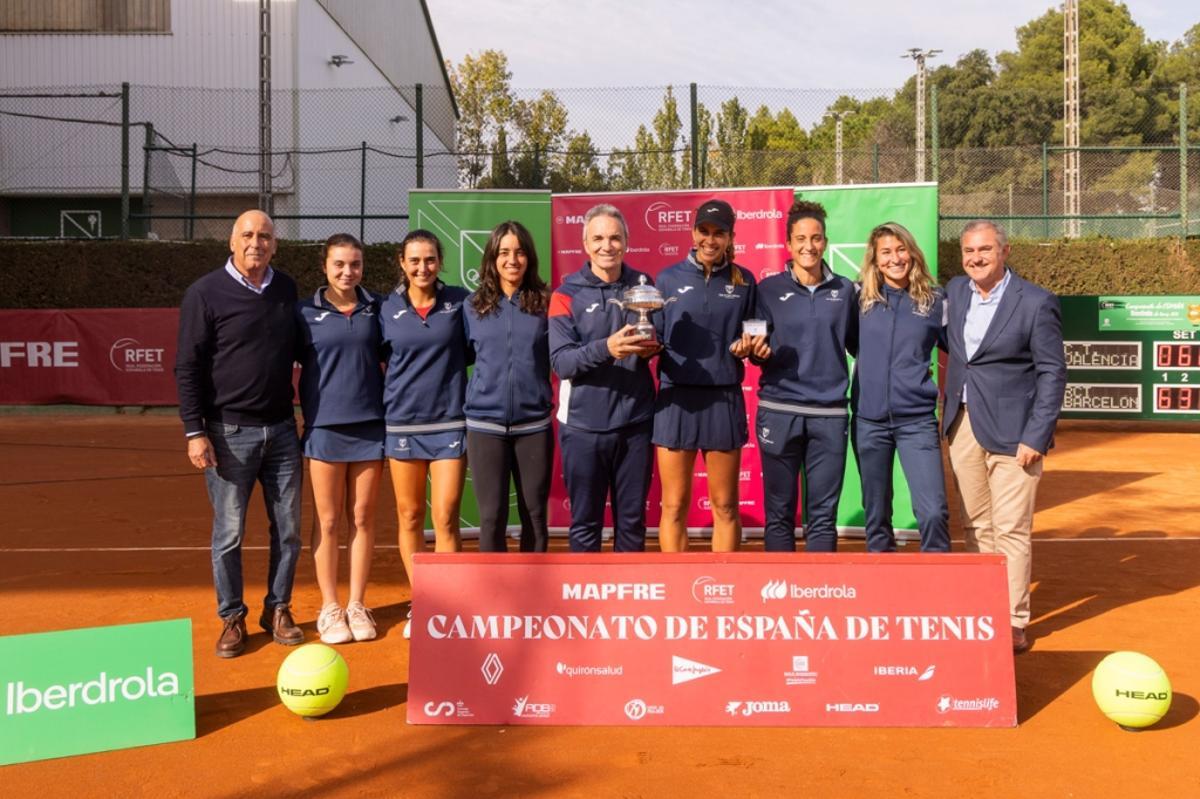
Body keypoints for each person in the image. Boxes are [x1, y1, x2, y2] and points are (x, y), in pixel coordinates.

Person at [175, 209, 304, 658]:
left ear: (275, 244)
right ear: (232, 241)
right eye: (248, 235)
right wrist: (195, 431)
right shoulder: (204, 293)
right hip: (228, 434)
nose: (257, 243)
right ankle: (232, 615)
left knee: (288, 531)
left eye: (265, 236)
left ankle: (278, 608)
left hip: (283, 432)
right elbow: (187, 367)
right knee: (229, 534)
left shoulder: (286, 289)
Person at [943, 219, 1066, 654]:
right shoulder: (955, 292)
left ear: (1005, 252)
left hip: (1017, 435)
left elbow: (1053, 372)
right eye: (969, 251)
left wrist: (1038, 433)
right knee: (976, 525)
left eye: (985, 250)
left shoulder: (1035, 302)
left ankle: (1013, 620)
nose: (975, 258)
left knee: (1011, 529)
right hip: (963, 426)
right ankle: (984, 608)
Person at [549, 204, 659, 552]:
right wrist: (608, 348)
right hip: (583, 428)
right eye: (598, 238)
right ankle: (586, 606)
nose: (606, 246)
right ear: (584, 244)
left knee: (632, 525)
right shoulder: (565, 295)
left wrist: (653, 348)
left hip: (635, 425)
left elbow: (656, 339)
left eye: (614, 238)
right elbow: (562, 363)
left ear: (626, 242)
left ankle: (626, 604)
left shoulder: (644, 287)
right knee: (585, 525)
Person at [653, 199, 758, 552]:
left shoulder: (745, 281)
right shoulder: (666, 278)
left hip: (722, 398)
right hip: (675, 400)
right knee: (674, 506)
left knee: (726, 506)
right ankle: (676, 590)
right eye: (704, 231)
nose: (710, 240)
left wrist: (751, 345)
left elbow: (756, 332)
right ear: (693, 232)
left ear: (731, 237)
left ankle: (723, 589)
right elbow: (652, 334)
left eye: (719, 233)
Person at [752, 200, 857, 552]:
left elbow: (861, 346)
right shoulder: (766, 290)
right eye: (800, 238)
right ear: (788, 243)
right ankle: (780, 602)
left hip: (829, 415)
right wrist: (754, 350)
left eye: (815, 238)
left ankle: (819, 595)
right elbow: (754, 343)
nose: (808, 246)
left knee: (823, 516)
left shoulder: (845, 291)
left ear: (825, 242)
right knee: (779, 513)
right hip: (779, 411)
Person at [381, 229, 470, 639]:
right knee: (410, 514)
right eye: (415, 260)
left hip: (450, 421)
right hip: (402, 424)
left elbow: (474, 349)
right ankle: (425, 603)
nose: (422, 267)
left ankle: (449, 604)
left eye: (430, 259)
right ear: (402, 263)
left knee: (446, 516)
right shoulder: (385, 309)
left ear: (440, 262)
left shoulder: (460, 302)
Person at [296, 233, 384, 644]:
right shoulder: (304, 312)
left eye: (355, 265)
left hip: (370, 427)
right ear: (325, 267)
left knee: (363, 517)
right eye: (339, 265)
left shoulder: (377, 309)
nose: (347, 272)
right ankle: (330, 607)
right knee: (328, 521)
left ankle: (356, 604)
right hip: (325, 429)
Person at [851, 222, 950, 553]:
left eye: (901, 249)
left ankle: (938, 591)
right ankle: (884, 588)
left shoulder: (936, 301)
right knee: (877, 517)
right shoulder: (859, 300)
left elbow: (962, 352)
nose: (895, 258)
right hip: (868, 422)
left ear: (912, 252)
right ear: (875, 260)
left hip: (917, 422)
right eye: (886, 252)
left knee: (934, 512)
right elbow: (849, 343)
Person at [464, 221, 553, 552]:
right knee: (491, 517)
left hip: (534, 425)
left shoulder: (546, 303)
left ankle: (536, 596)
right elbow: (462, 356)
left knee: (535, 516)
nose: (511, 259)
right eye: (503, 252)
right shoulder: (472, 306)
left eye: (519, 252)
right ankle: (494, 600)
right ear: (492, 258)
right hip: (484, 426)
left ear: (529, 257)